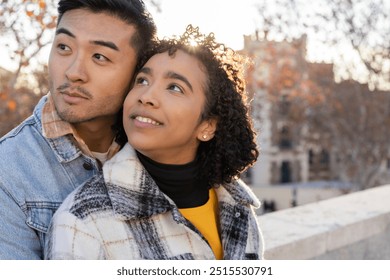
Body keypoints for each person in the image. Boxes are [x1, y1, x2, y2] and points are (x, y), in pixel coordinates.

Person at [45, 25, 264, 260]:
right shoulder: (83, 222)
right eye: (142, 80)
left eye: (174, 87)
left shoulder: (237, 205)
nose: (146, 96)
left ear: (207, 126)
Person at [0, 0, 156, 260]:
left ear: (138, 72)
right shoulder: (8, 170)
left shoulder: (160, 147)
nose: (73, 72)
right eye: (64, 47)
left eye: (99, 56)